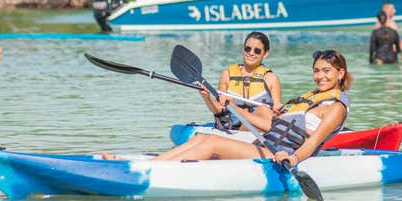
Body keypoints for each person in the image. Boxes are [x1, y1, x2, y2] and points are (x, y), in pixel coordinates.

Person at [116, 49, 352, 166]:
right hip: (264, 145)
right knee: (200, 136)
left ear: (340, 73)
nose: (319, 76)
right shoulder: (311, 98)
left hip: (277, 155)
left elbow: (312, 142)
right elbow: (271, 125)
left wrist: (292, 160)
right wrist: (232, 106)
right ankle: (150, 165)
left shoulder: (336, 107)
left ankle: (149, 170)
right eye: (316, 70)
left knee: (212, 143)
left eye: (326, 71)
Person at [201, 31, 283, 131]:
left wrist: (278, 109)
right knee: (263, 110)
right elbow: (218, 110)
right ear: (243, 49)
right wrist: (207, 97)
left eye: (257, 51)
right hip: (232, 127)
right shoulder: (227, 75)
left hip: (259, 126)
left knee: (264, 110)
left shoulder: (271, 79)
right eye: (247, 48)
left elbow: (276, 108)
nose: (251, 53)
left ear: (265, 54)